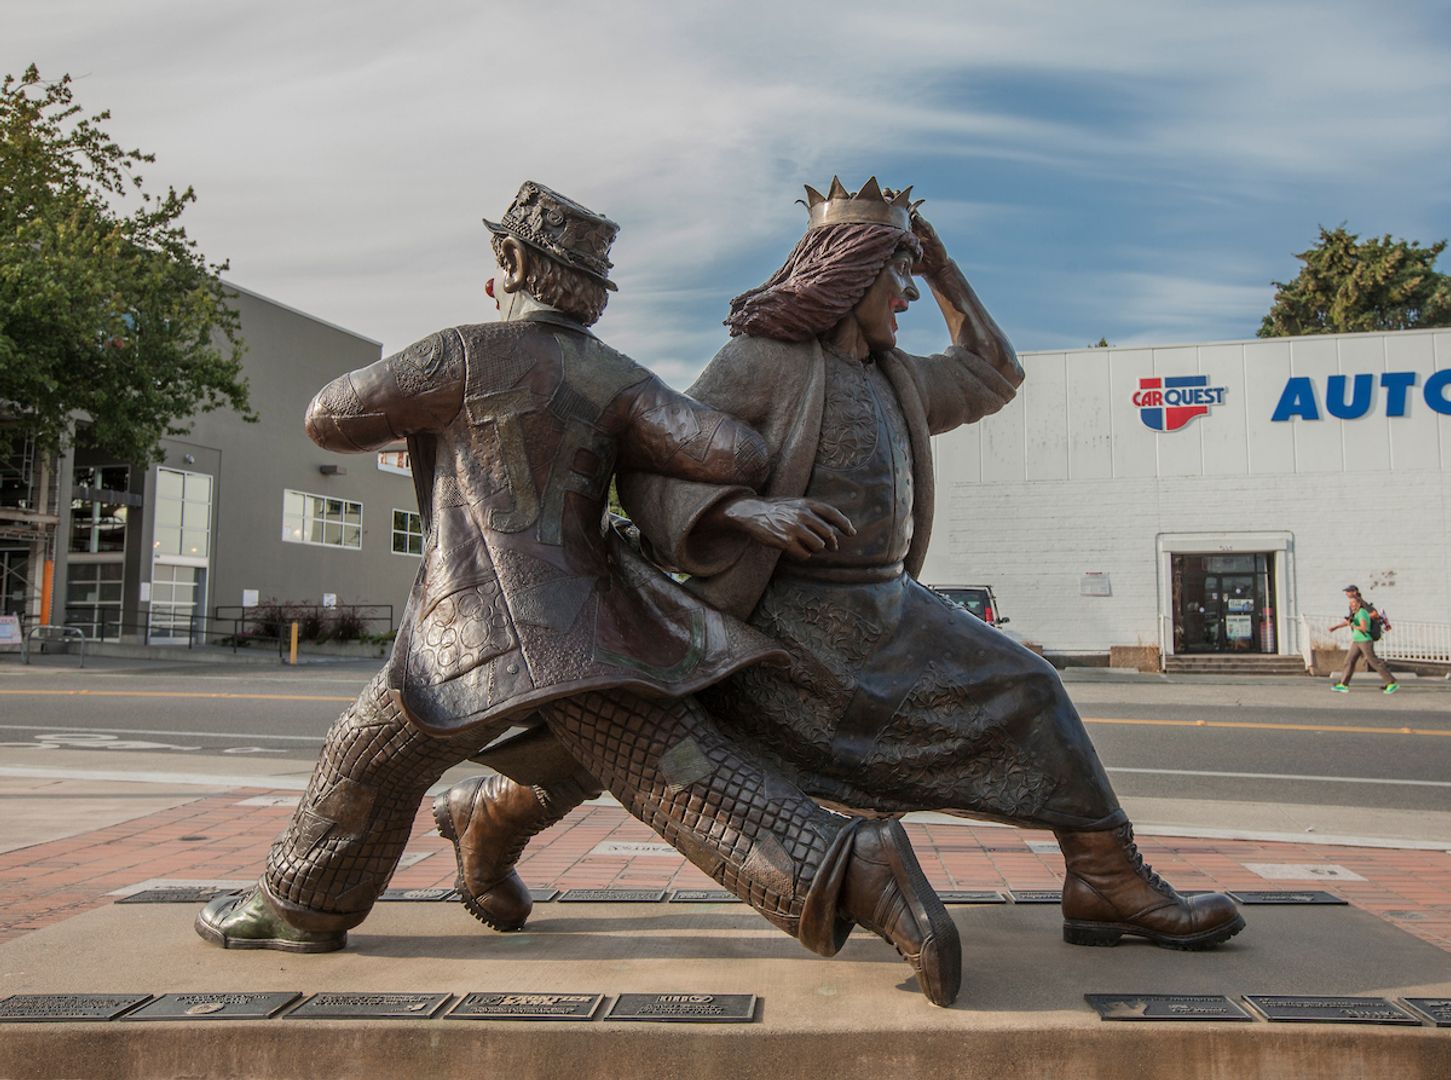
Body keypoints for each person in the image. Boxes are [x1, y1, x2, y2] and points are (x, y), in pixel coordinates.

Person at [196, 181, 962, 1007]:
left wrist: (439, 397)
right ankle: (852, 867)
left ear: (510, 262)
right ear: (593, 291)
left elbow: (329, 418)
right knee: (681, 776)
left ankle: (299, 905)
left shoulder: (460, 354)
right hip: (593, 627)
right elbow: (732, 450)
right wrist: (709, 487)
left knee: (370, 754)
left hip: (476, 627)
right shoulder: (615, 377)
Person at [449, 178, 1244, 953]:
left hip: (884, 608)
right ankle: (490, 814)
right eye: (897, 273)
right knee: (647, 741)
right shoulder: (760, 362)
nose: (906, 293)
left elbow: (993, 370)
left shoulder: (898, 377)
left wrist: (945, 270)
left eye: (912, 275)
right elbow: (653, 465)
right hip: (783, 615)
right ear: (850, 273)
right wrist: (740, 512)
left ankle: (1102, 876)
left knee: (1023, 689)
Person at [1329, 586, 1398, 693]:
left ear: (1358, 603)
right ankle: (1343, 684)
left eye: (1353, 603)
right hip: (1357, 641)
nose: (1351, 605)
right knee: (1349, 661)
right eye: (1350, 604)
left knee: (1373, 661)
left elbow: (1364, 628)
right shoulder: (1356, 613)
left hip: (1364, 640)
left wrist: (1353, 626)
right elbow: (1349, 622)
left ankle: (1391, 682)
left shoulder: (1362, 612)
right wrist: (1336, 627)